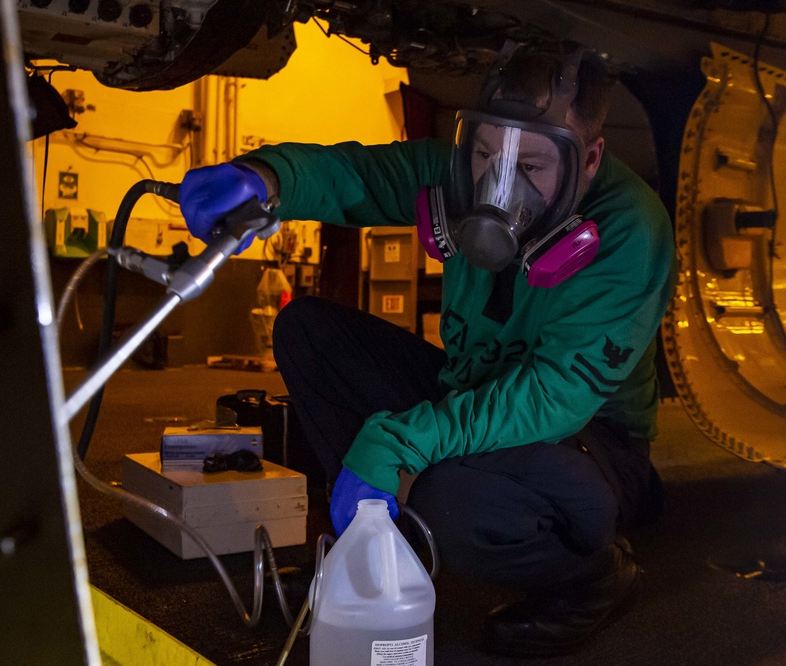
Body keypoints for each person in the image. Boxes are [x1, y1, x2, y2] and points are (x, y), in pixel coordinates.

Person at [179, 41, 677, 657]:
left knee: (451, 497)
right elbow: (360, 175)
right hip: (472, 390)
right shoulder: (457, 171)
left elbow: (555, 396)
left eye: (530, 169)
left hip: (590, 440)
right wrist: (267, 178)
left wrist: (399, 439)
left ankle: (591, 576)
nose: (497, 187)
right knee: (305, 330)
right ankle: (372, 547)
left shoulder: (631, 230)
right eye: (487, 154)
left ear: (591, 159)